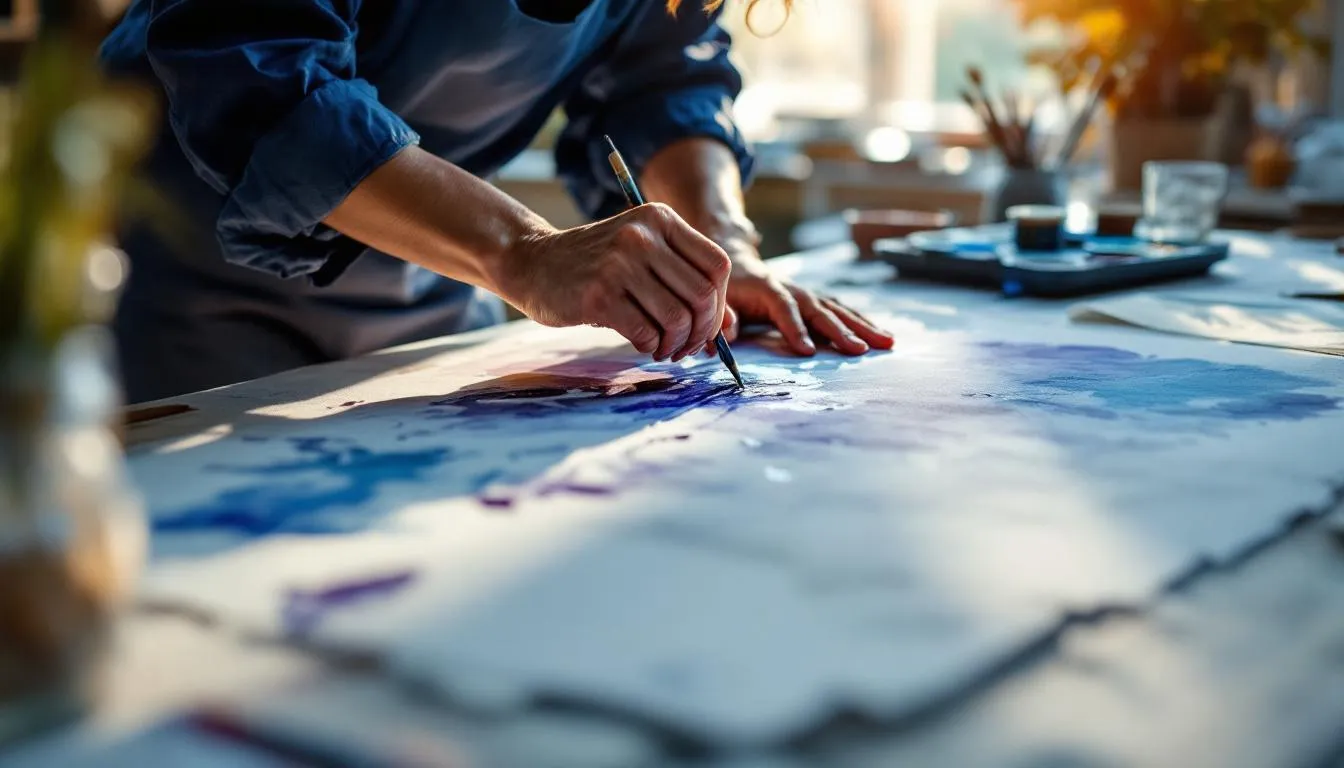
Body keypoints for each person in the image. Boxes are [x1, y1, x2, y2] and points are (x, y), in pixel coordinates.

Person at [100, 0, 894, 404]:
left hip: (430, 281)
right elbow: (260, 75)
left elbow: (668, 75)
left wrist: (724, 243)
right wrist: (522, 252)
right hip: (171, 275)